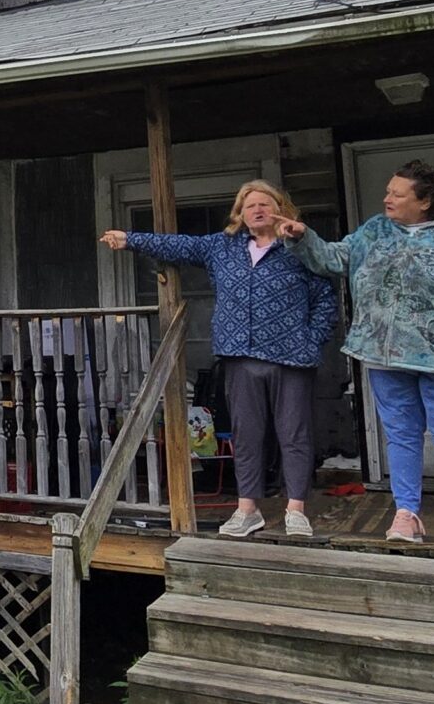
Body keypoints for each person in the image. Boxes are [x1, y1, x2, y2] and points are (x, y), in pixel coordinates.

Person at [276, 159, 434, 547]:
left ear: (424, 200)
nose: (387, 198)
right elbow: (334, 259)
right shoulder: (375, 231)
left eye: (397, 194)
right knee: (401, 437)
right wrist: (303, 237)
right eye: (388, 191)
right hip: (385, 357)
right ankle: (406, 514)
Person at [100, 181, 337, 538]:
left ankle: (296, 510)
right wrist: (130, 239)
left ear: (280, 208)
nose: (256, 209)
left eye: (264, 203)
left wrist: (312, 340)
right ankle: (247, 509)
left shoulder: (301, 248)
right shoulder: (222, 247)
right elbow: (177, 245)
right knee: (247, 435)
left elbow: (326, 300)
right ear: (239, 215)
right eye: (249, 205)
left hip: (292, 358)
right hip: (240, 356)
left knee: (295, 435)